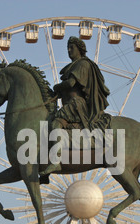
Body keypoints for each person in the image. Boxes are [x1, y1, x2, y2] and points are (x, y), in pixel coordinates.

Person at [40, 36, 111, 176]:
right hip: (69, 103)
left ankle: (55, 161)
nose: (69, 50)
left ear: (80, 49)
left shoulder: (83, 64)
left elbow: (71, 83)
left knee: (55, 125)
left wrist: (57, 86)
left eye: (72, 47)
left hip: (76, 105)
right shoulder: (74, 66)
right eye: (68, 47)